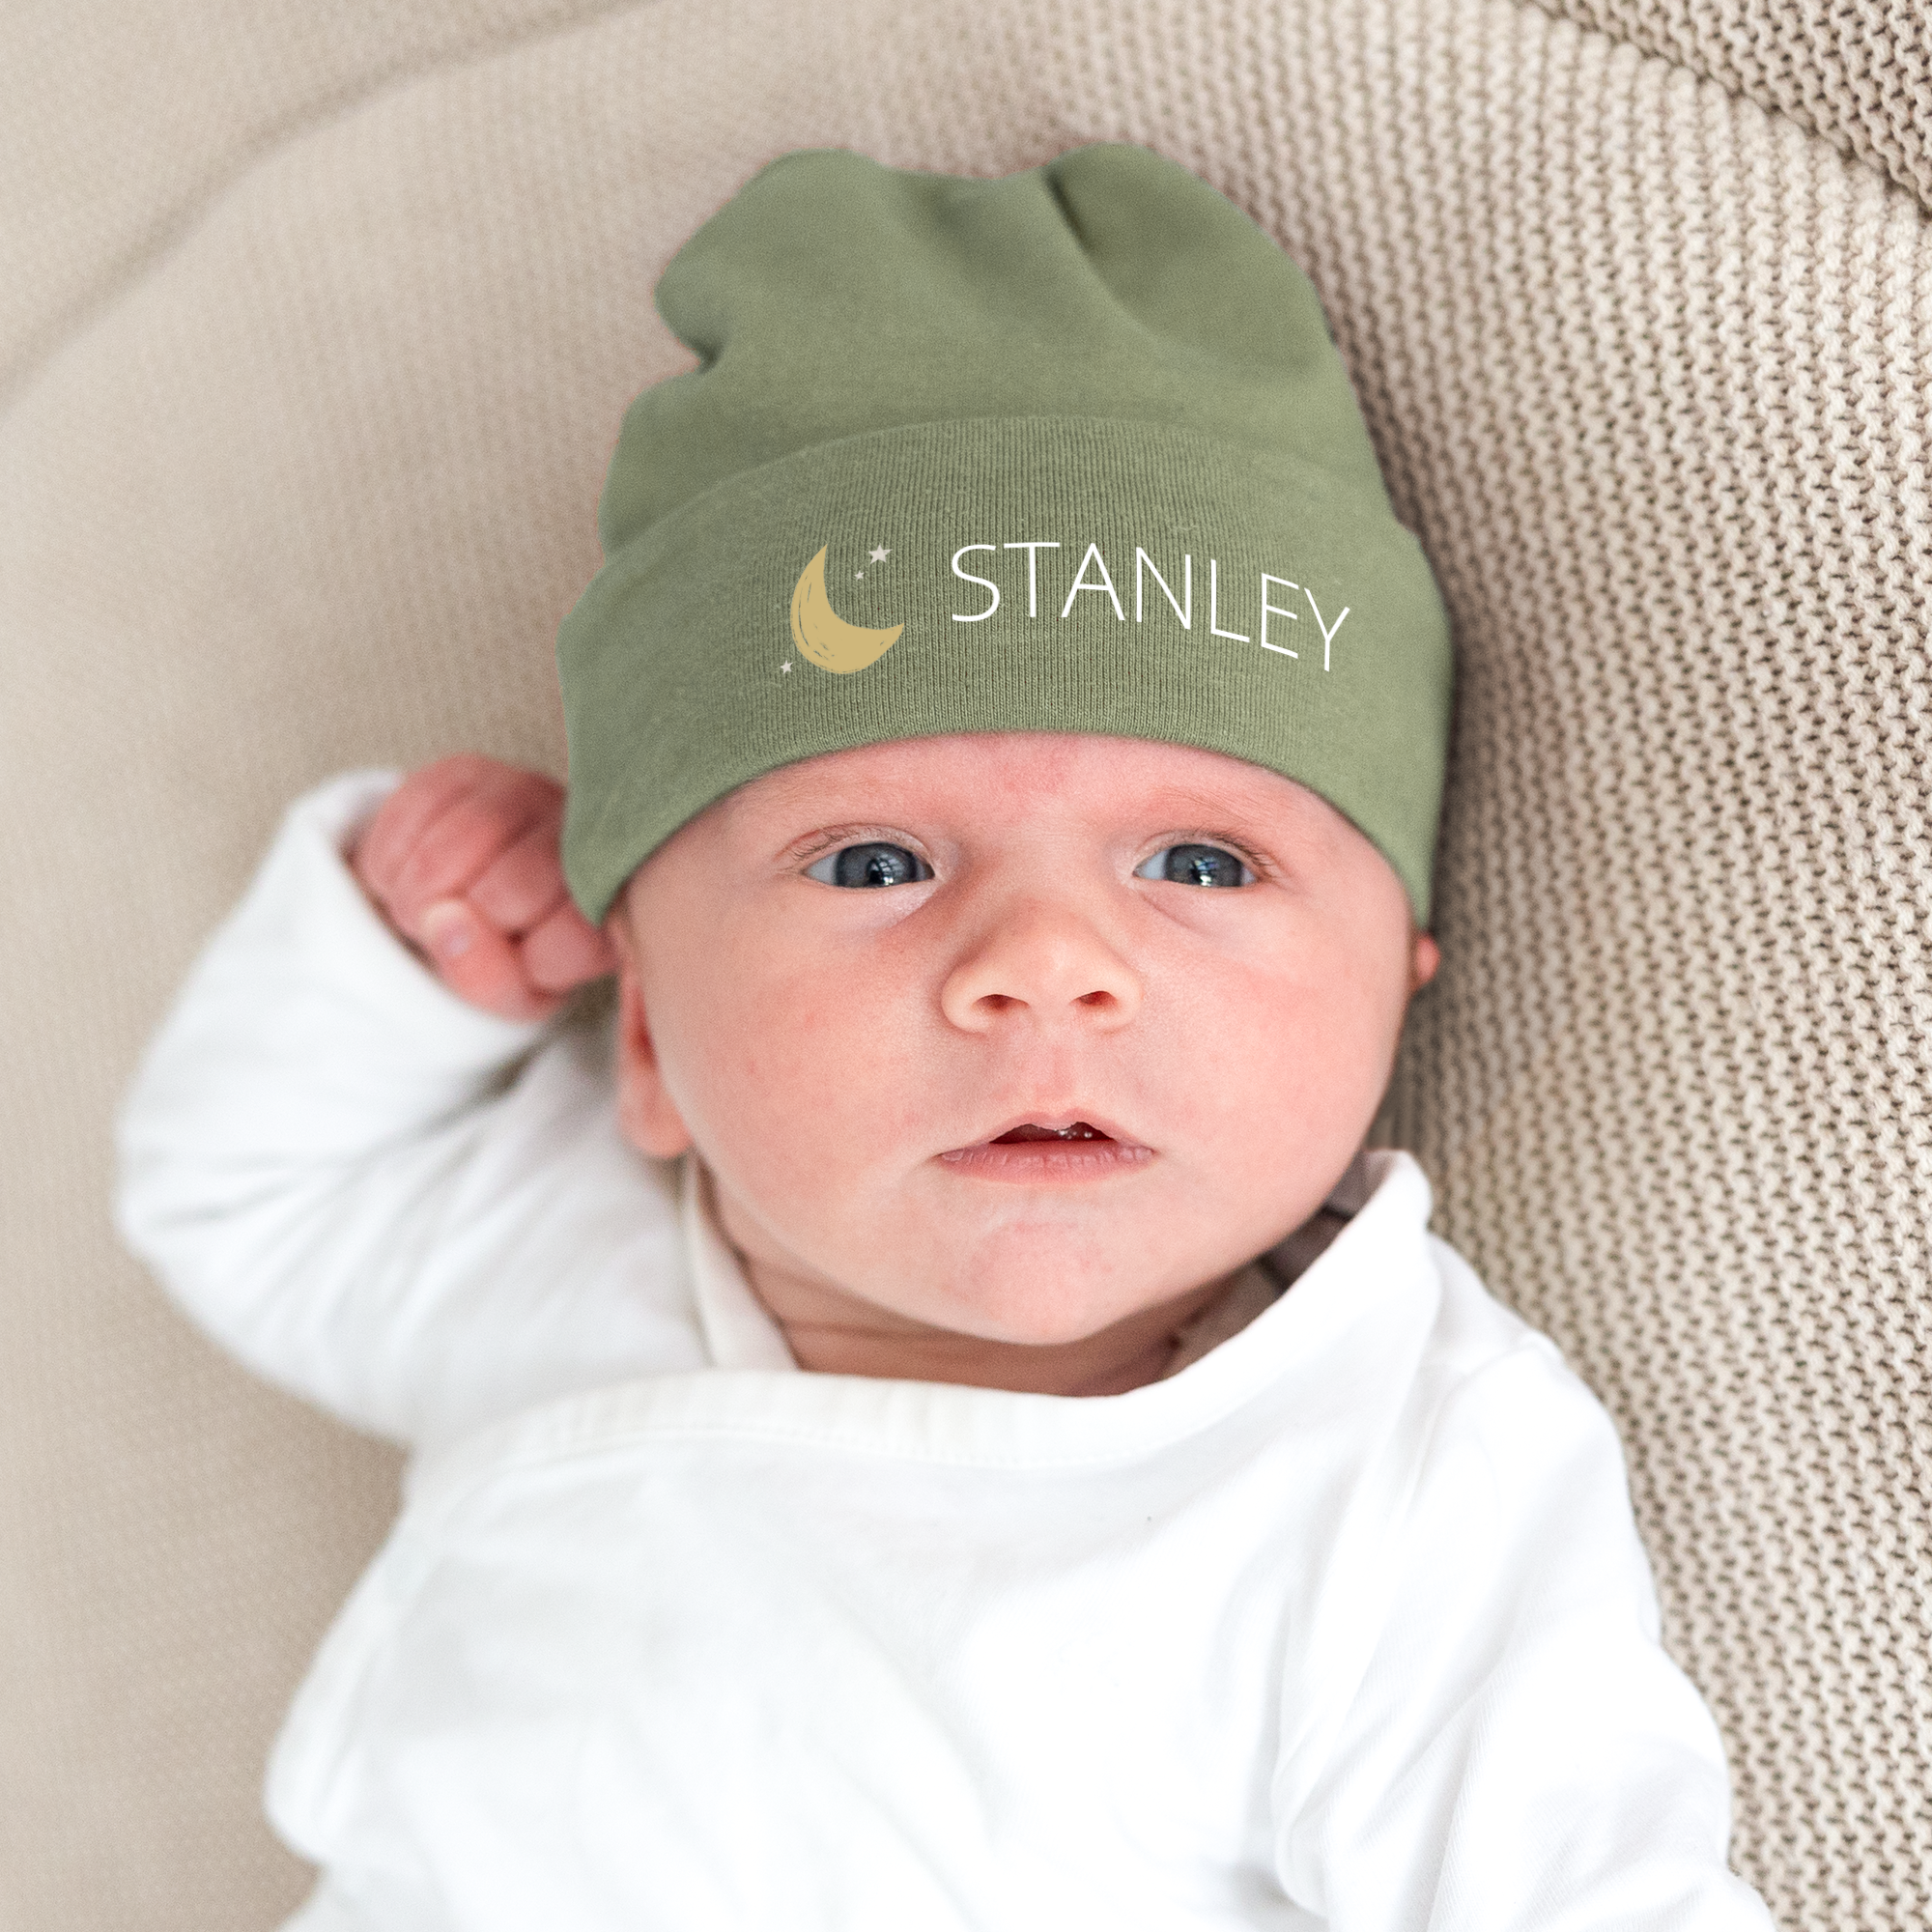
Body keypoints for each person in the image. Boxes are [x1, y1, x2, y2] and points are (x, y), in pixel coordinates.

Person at [114, 144, 1776, 1929]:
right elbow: (244, 1199)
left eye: (1202, 861)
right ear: (653, 1039)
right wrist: (389, 956)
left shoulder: (1389, 1468)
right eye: (878, 861)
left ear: (1395, 989)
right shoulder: (556, 1245)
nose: (1048, 965)